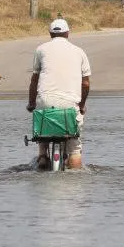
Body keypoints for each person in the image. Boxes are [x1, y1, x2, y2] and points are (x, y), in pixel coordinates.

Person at [27, 18, 91, 170]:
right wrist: (81, 106)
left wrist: (31, 104)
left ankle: (43, 155)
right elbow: (86, 84)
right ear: (67, 33)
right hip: (70, 104)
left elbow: (34, 81)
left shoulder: (41, 49)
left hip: (46, 101)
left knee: (41, 119)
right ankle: (74, 167)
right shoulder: (79, 51)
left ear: (50, 34)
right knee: (75, 148)